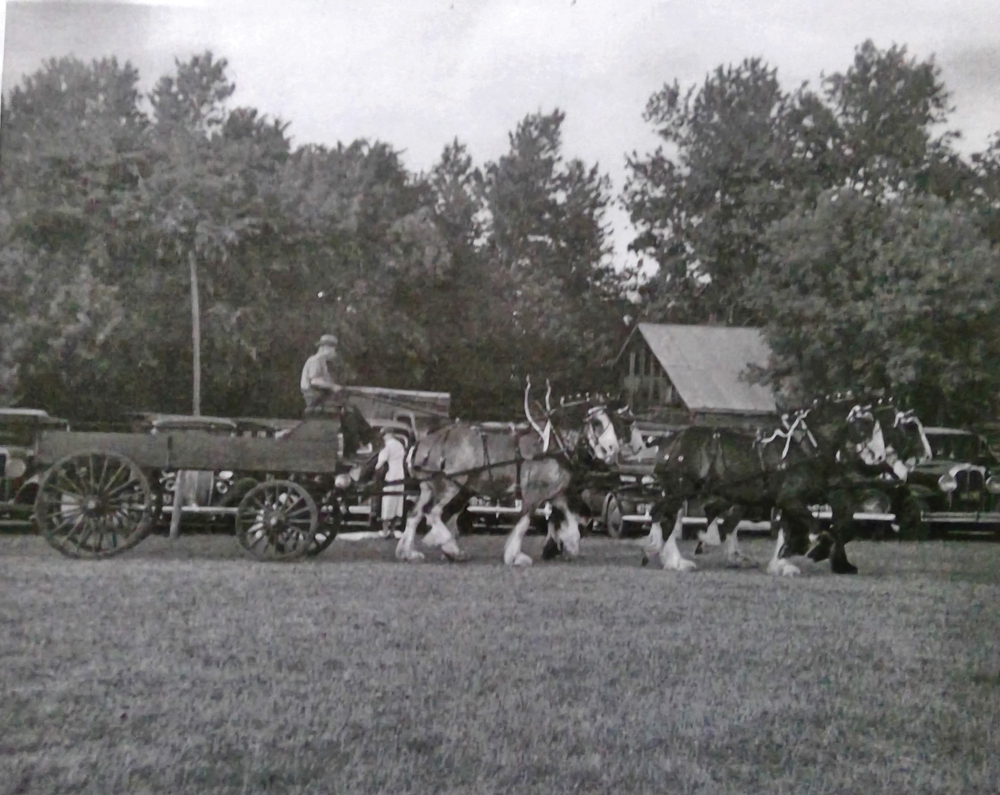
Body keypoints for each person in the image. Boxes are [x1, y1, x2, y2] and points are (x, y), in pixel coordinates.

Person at [375, 428, 408, 538]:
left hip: (390, 476)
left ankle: (385, 531)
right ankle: (393, 530)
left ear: (387, 435)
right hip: (400, 475)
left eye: (384, 435)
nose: (383, 437)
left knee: (387, 503)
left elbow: (381, 462)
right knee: (397, 503)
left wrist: (372, 471)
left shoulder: (387, 446)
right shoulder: (400, 445)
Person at [300, 334, 342, 414]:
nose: (334, 352)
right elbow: (314, 381)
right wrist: (333, 386)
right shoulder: (315, 360)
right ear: (326, 348)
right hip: (313, 396)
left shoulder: (322, 361)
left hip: (319, 395)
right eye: (333, 349)